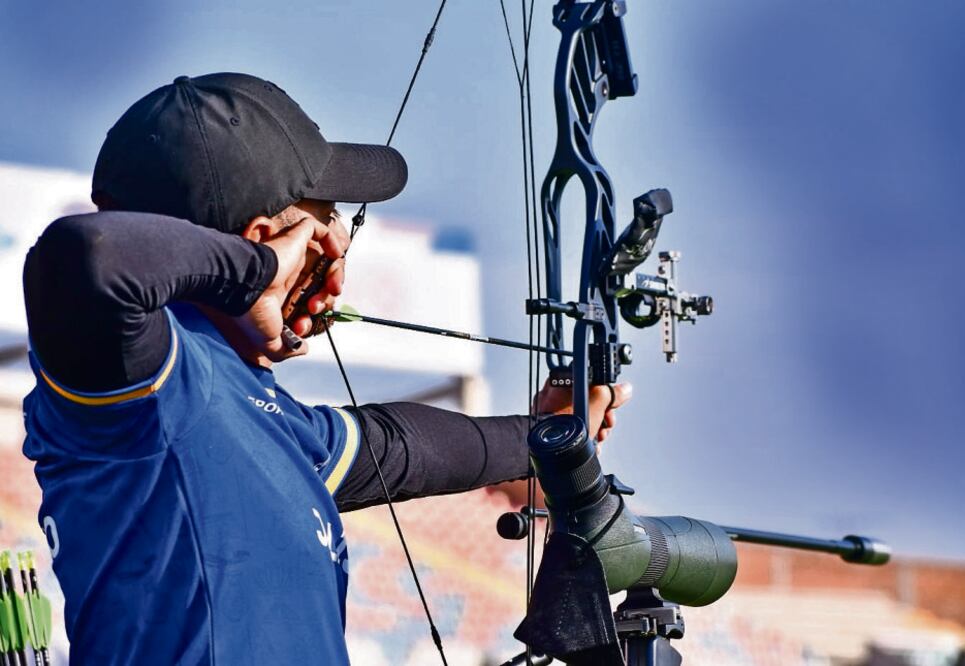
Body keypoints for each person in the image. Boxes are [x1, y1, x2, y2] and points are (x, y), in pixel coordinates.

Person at [20, 72, 631, 665]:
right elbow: (90, 256)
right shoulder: (136, 379)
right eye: (321, 238)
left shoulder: (261, 411)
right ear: (260, 237)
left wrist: (551, 435)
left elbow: (397, 448)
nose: (335, 270)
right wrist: (258, 270)